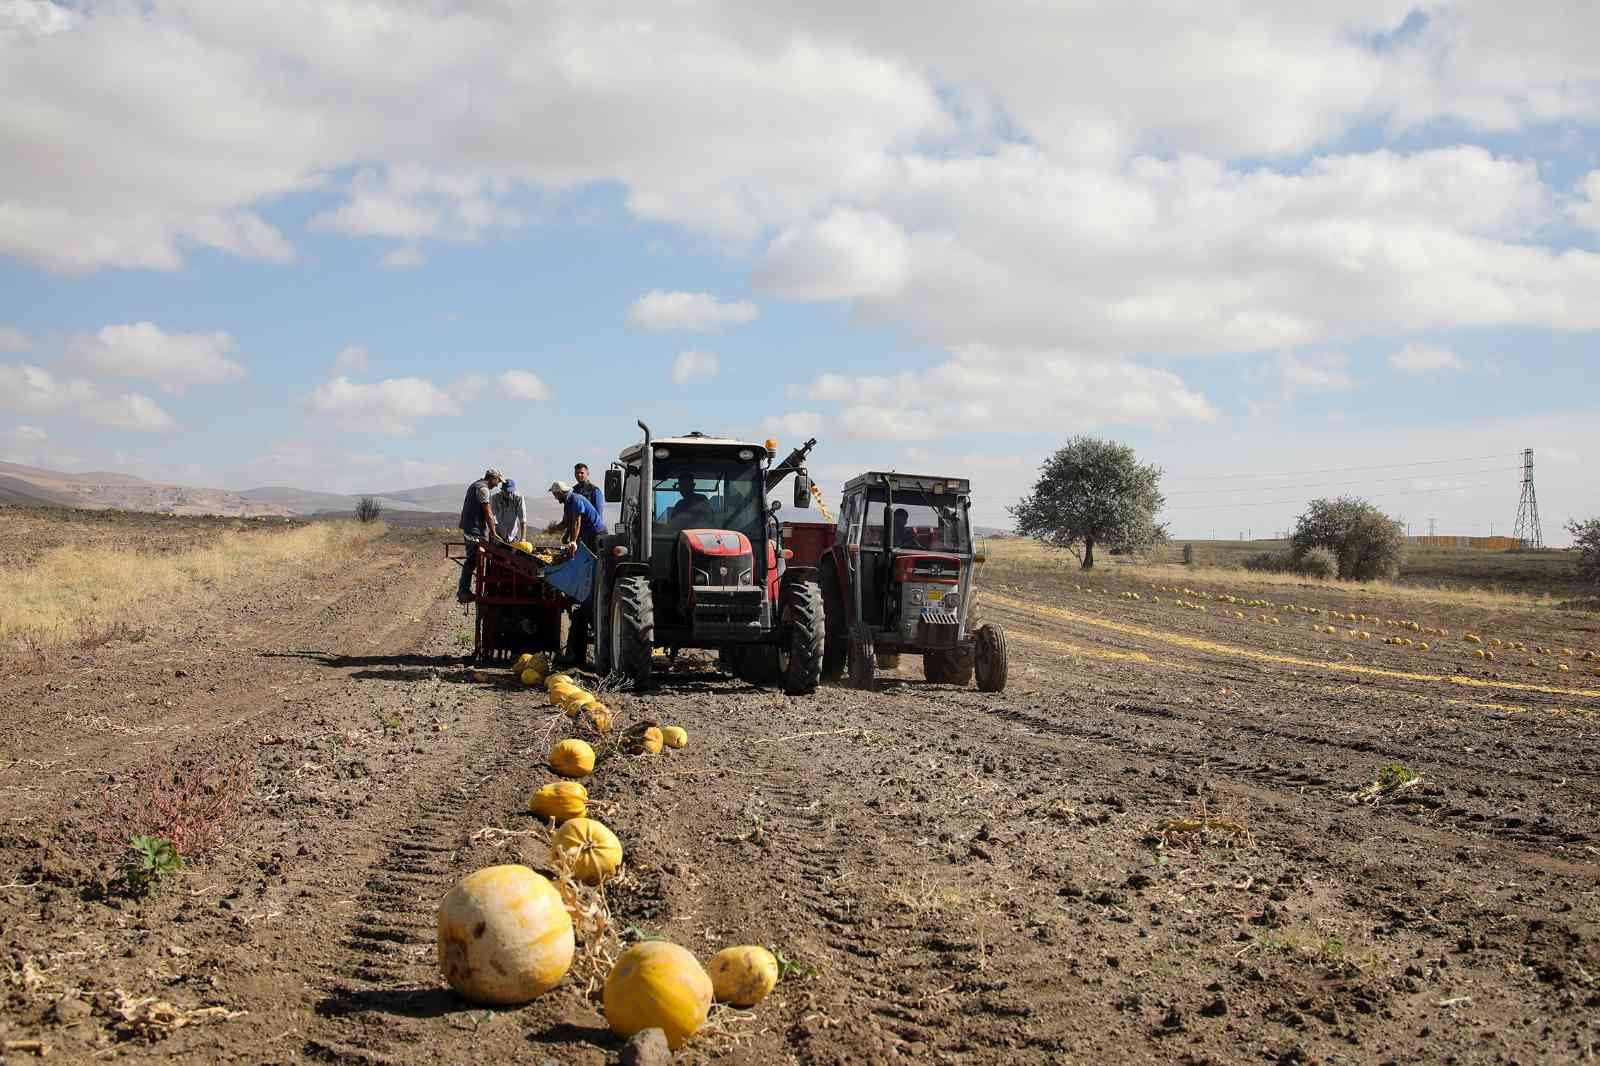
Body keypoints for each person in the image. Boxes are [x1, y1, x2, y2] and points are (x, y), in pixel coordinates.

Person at [456, 468, 504, 603]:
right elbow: (488, 513)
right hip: (474, 529)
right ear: (492, 478)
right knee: (471, 560)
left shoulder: (475, 485)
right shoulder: (483, 489)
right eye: (497, 481)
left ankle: (465, 590)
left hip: (470, 527)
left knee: (473, 560)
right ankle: (463, 591)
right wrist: (494, 533)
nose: (497, 484)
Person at [550, 480, 607, 557]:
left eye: (555, 495)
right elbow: (565, 522)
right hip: (586, 534)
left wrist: (573, 541)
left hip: (596, 534)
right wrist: (554, 530)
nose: (555, 498)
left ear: (560, 492)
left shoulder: (576, 500)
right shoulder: (567, 503)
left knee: (593, 559)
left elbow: (576, 522)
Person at [492, 478, 527, 543]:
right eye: (507, 492)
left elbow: (523, 520)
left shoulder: (518, 498)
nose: (509, 494)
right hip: (499, 532)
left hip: (513, 534)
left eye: (511, 492)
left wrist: (523, 538)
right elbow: (492, 518)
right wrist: (495, 533)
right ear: (502, 490)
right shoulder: (495, 498)